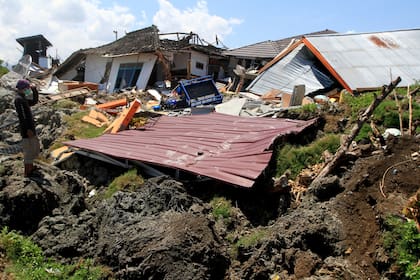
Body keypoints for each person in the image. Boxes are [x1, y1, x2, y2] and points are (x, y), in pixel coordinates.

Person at [14, 79, 40, 177]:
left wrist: (34, 90)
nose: (28, 89)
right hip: (27, 130)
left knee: (33, 148)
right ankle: (27, 172)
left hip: (30, 128)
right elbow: (23, 116)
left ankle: (31, 168)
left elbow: (34, 101)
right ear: (23, 88)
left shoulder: (23, 98)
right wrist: (28, 130)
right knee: (28, 150)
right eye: (28, 88)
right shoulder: (18, 99)